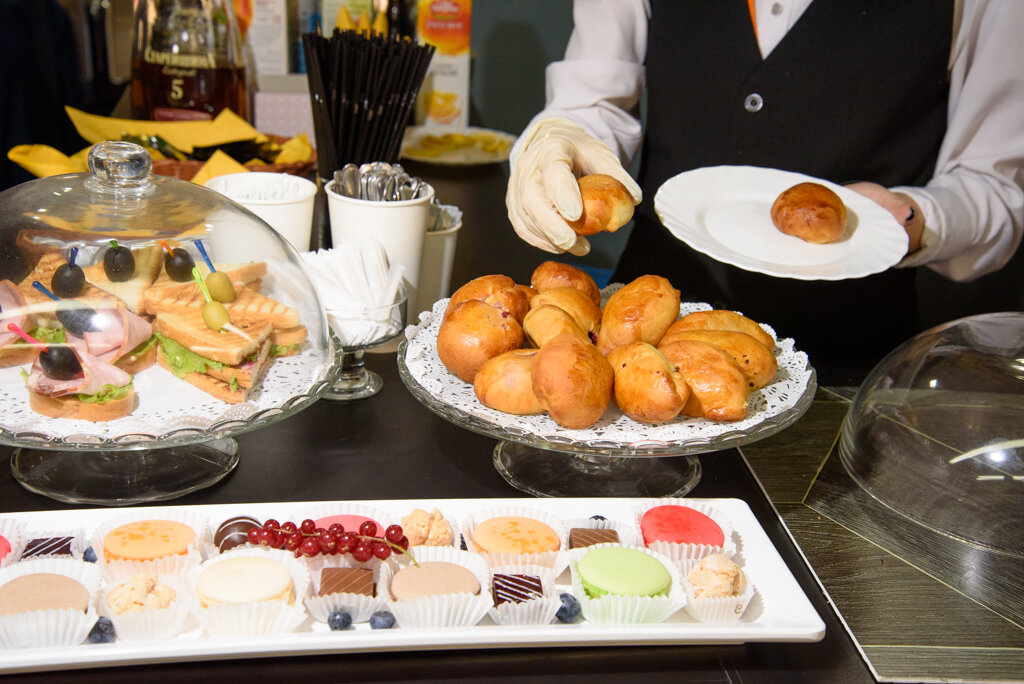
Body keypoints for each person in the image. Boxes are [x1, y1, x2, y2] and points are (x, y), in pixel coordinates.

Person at [506, 0, 1024, 384]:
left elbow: (994, 186)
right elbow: (592, 100)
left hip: (848, 369)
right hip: (637, 347)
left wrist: (913, 217)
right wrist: (559, 138)